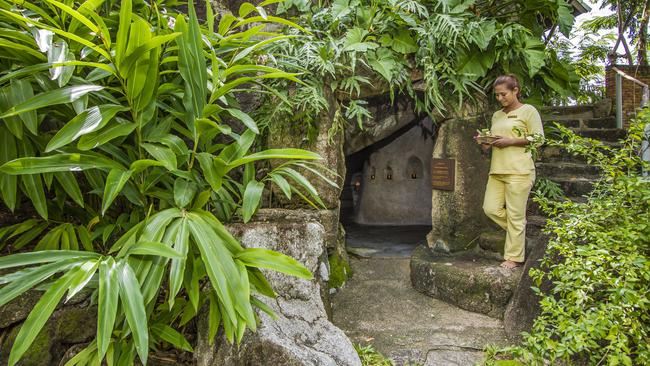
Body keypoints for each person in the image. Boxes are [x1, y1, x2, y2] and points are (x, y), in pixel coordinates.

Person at [475, 74, 544, 269]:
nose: (500, 99)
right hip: (497, 170)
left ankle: (513, 257)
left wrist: (511, 141)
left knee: (515, 216)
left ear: (515, 90)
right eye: (497, 96)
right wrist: (486, 142)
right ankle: (518, 231)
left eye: (503, 94)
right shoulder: (497, 115)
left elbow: (539, 139)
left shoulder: (528, 111)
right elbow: (496, 139)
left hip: (519, 170)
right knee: (490, 208)